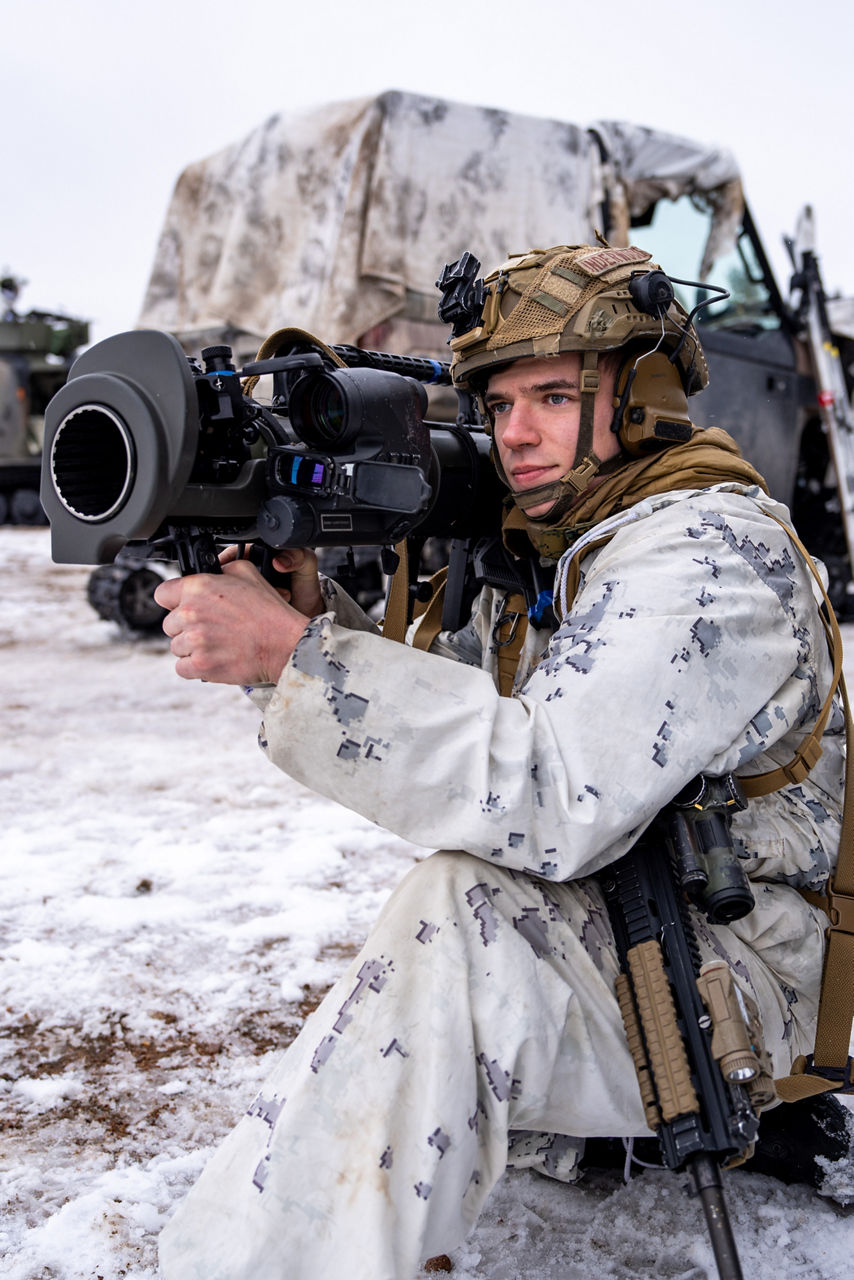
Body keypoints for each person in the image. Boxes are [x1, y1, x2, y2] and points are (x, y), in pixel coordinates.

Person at [154, 243, 847, 1279]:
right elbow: (455, 715)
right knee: (459, 889)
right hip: (637, 911)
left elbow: (551, 787)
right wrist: (315, 618)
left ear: (641, 398)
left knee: (459, 915)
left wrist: (301, 661)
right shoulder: (570, 544)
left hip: (746, 965)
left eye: (554, 396)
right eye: (500, 401)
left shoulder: (705, 554)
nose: (513, 433)